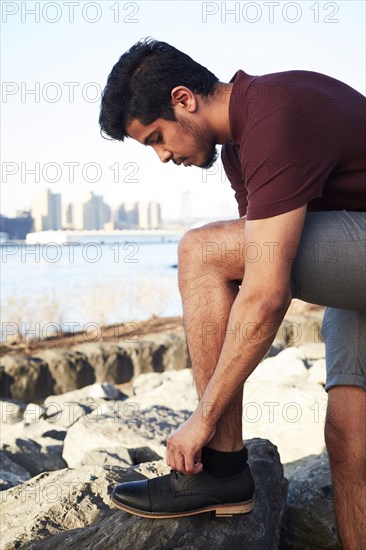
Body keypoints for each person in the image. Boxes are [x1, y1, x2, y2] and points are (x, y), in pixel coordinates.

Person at [99, 39, 366, 547]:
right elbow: (266, 278)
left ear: (184, 99)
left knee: (201, 251)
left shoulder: (276, 114)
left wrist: (202, 420)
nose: (161, 156)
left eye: (157, 137)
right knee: (351, 440)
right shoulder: (241, 148)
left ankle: (222, 467)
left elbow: (264, 292)